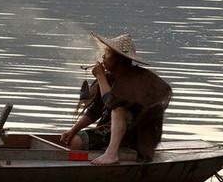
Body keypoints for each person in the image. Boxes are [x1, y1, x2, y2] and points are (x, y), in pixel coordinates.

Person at [60, 32, 172, 165]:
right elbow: (95, 110)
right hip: (113, 130)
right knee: (74, 140)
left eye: (106, 55)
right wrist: (73, 130)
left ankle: (111, 154)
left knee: (117, 109)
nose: (102, 58)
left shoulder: (136, 79)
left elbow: (111, 103)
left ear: (118, 59)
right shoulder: (111, 77)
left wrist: (101, 77)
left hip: (135, 135)